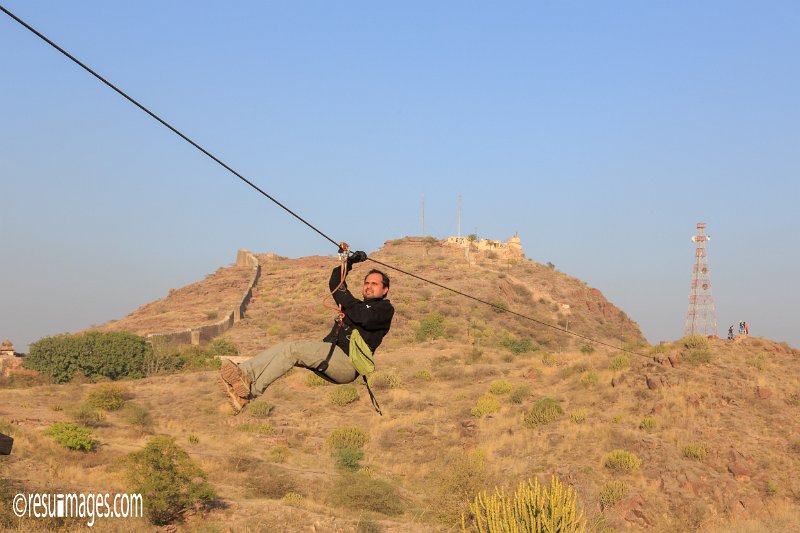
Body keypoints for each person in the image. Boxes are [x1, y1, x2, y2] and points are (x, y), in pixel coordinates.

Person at [218, 251, 394, 412]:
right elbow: (336, 283)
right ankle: (247, 394)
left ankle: (245, 374)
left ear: (384, 290)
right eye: (366, 283)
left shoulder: (384, 309)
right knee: (286, 349)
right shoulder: (357, 304)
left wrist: (345, 299)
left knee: (293, 349)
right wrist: (348, 263)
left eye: (374, 284)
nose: (369, 286)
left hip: (347, 363)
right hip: (334, 357)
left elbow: (363, 316)